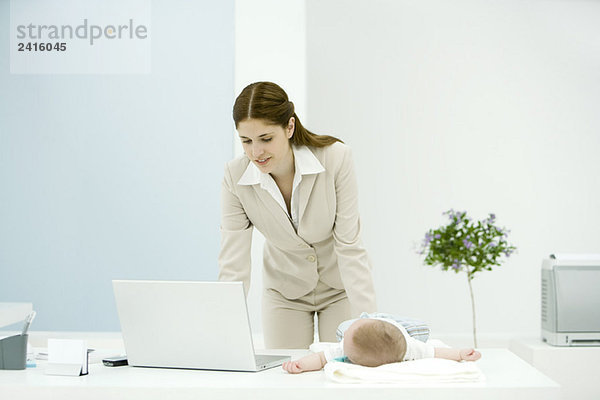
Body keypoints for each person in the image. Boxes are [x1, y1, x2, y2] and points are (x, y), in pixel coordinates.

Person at [218, 82, 376, 349]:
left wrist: (368, 321)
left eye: (266, 139)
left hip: (340, 290)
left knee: (348, 366)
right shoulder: (235, 177)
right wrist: (221, 330)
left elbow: (350, 246)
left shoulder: (335, 159)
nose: (256, 152)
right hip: (284, 292)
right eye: (246, 141)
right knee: (285, 378)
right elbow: (233, 264)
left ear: (289, 127)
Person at [282, 313, 482, 373]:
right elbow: (436, 352)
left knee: (344, 325)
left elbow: (319, 358)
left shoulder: (408, 346)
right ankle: (372, 320)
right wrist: (460, 354)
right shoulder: (408, 343)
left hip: (396, 328)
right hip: (394, 324)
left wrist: (301, 365)